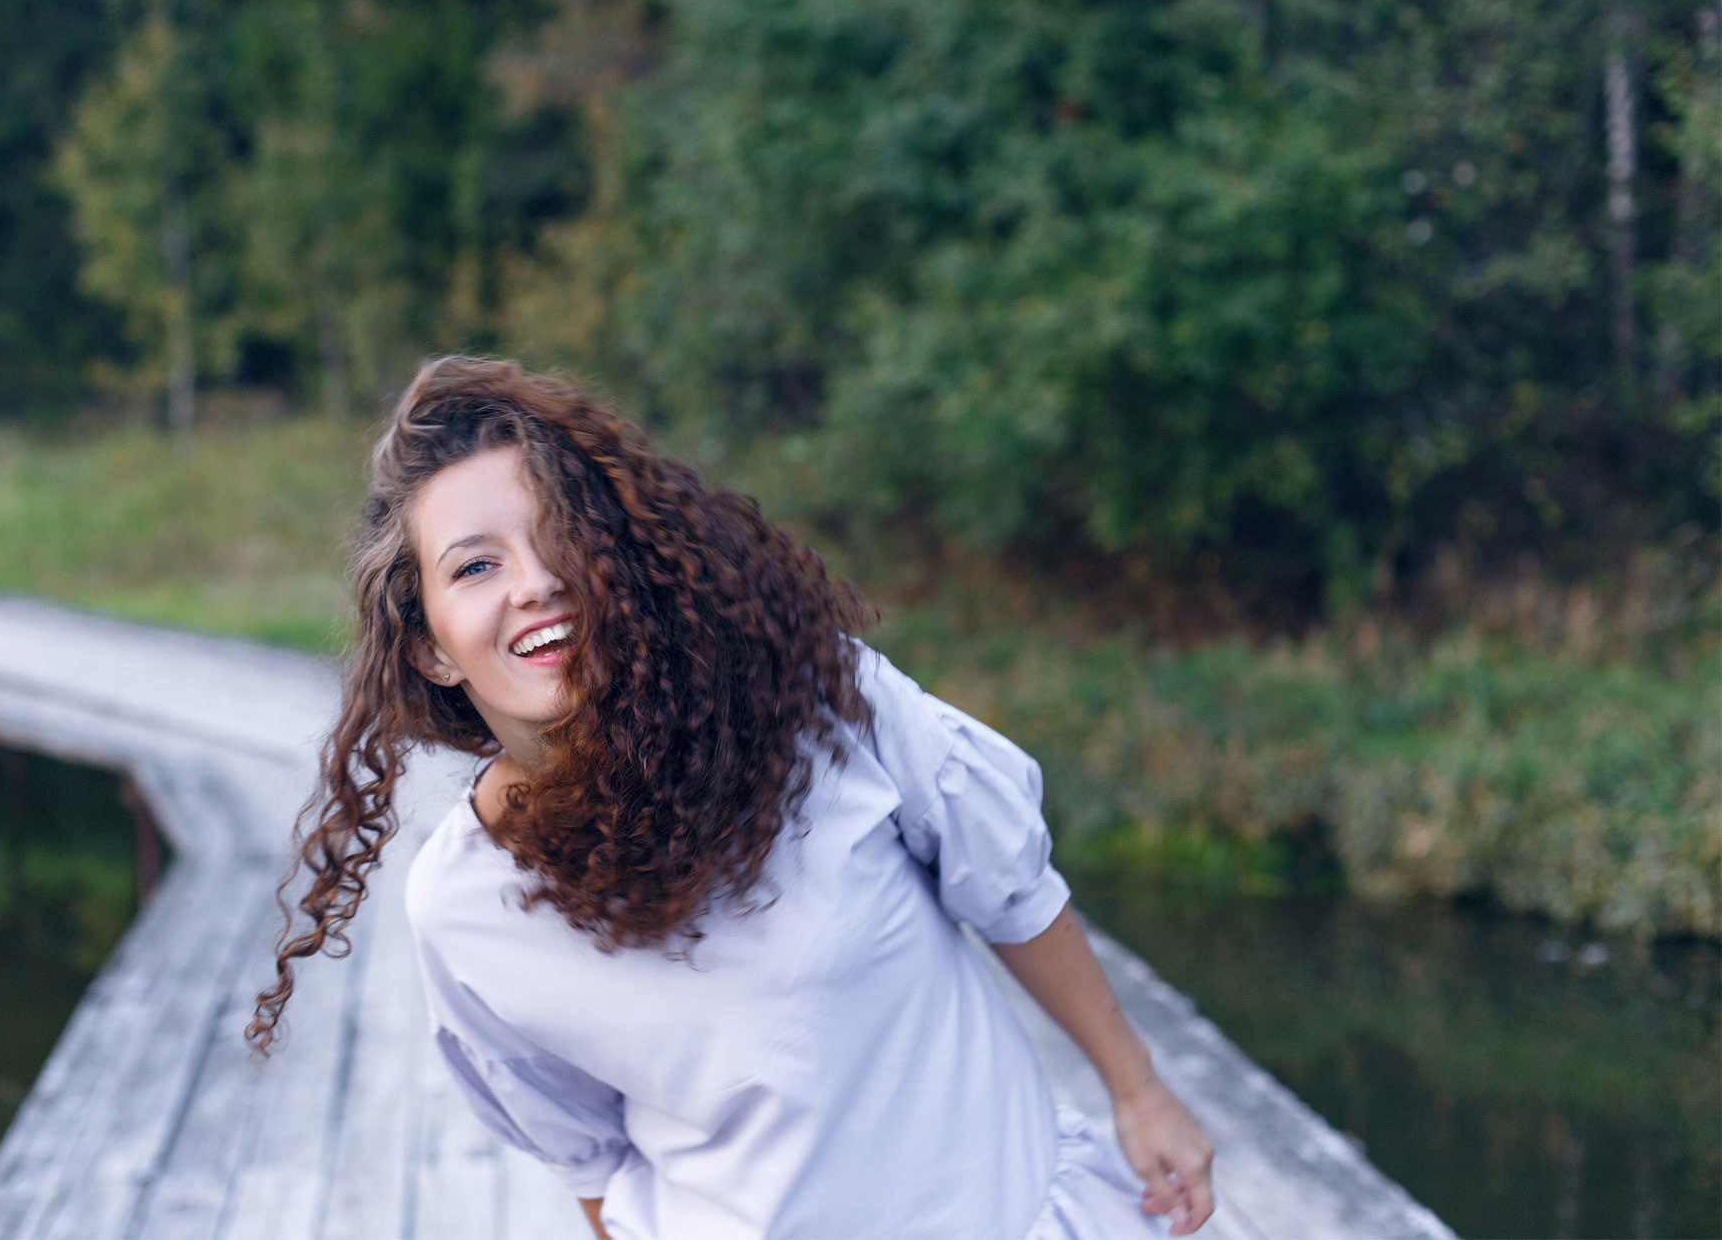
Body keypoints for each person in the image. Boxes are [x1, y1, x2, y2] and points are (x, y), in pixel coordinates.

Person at [249, 357, 1216, 1239]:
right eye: (476, 566)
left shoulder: (812, 698)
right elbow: (591, 1158)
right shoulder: (460, 908)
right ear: (428, 645)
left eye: (559, 539)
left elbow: (1008, 881)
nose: (537, 583)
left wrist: (1136, 1087)